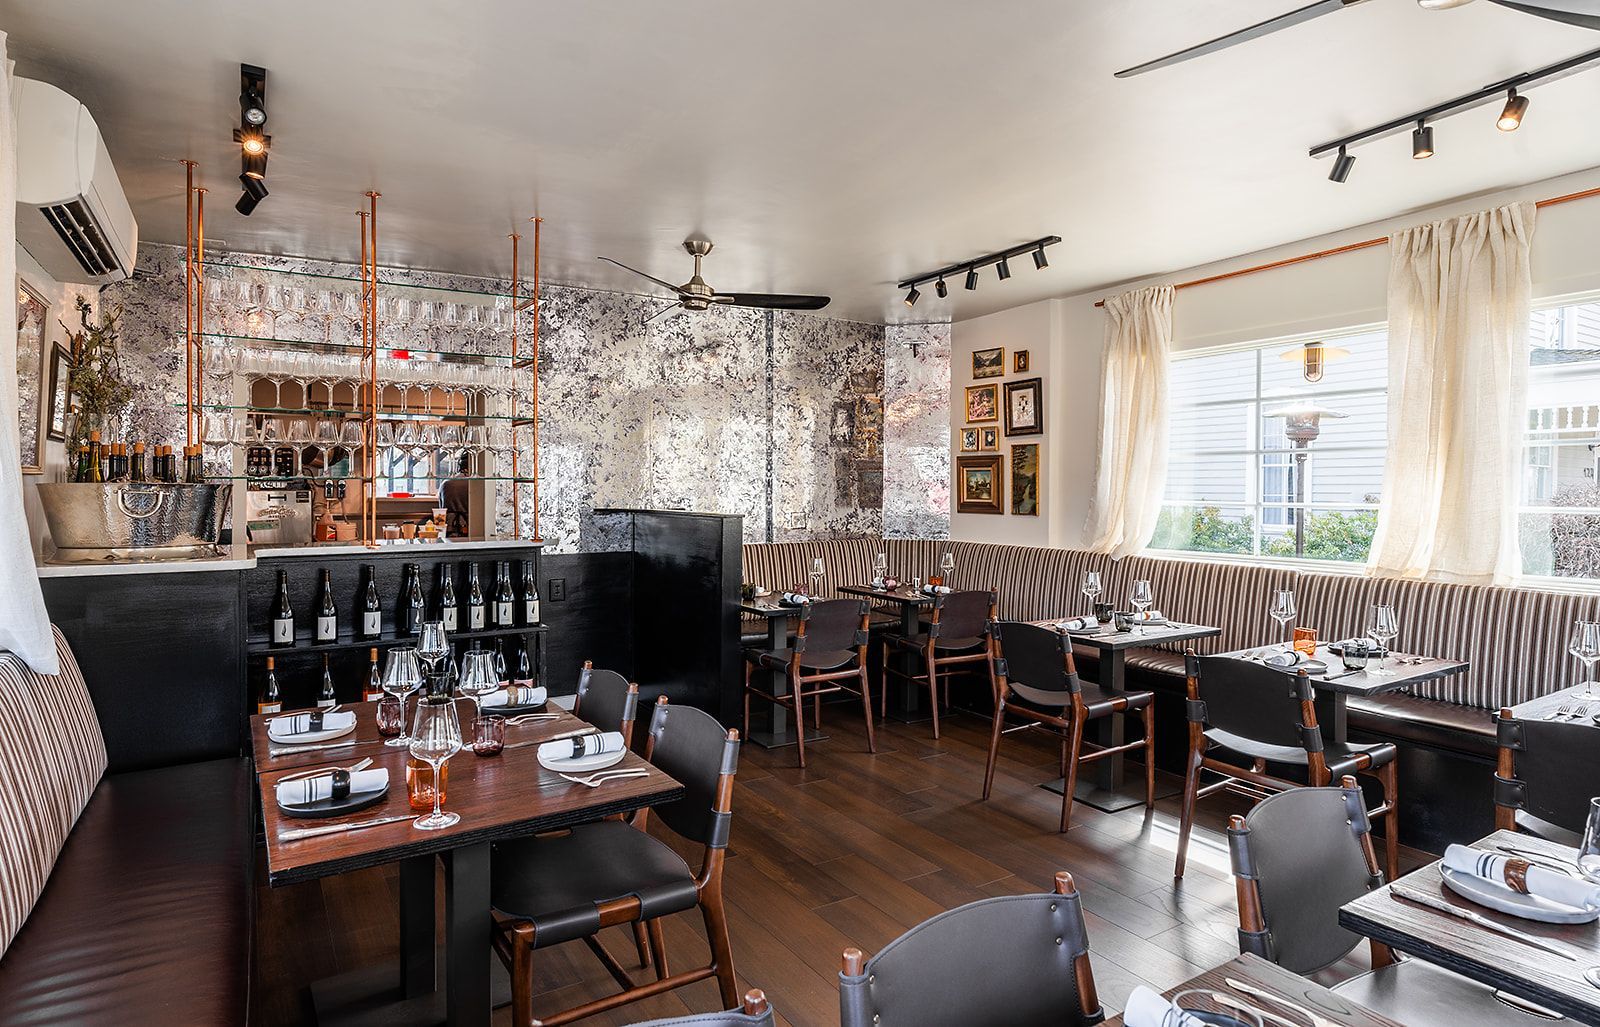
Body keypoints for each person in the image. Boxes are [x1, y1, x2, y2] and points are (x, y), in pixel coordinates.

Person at [441, 455, 471, 537]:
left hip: (449, 531)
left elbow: (441, 507)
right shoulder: (476, 484)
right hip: (472, 530)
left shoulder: (446, 483)